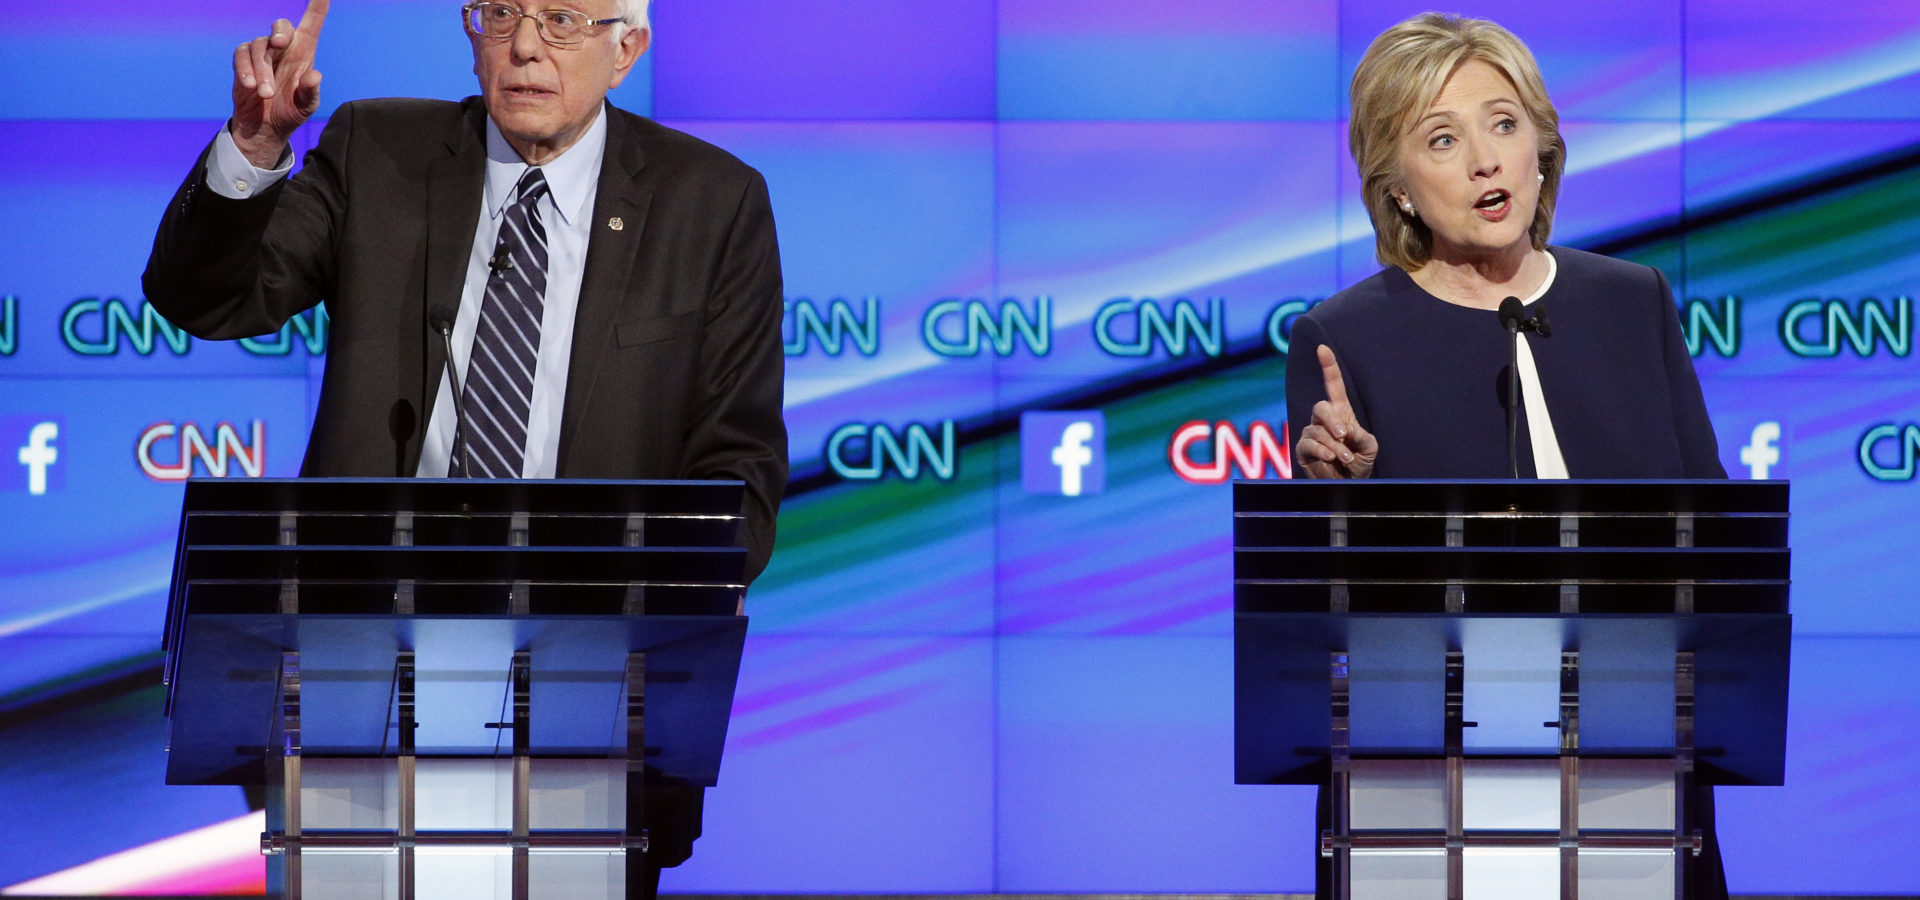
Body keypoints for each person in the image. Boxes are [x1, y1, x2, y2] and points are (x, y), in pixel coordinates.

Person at [141, 1, 787, 895]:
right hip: (357, 702)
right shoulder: (379, 154)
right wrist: (254, 148)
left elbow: (740, 478)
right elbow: (206, 302)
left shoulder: (710, 204)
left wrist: (630, 609)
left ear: (627, 48)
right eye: (502, 14)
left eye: (562, 20)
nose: (525, 45)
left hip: (586, 718)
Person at [1285, 11, 1728, 898]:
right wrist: (1342, 495)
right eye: (1442, 139)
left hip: (1631, 758)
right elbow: (1326, 623)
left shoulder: (1632, 301)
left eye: (1503, 123)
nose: (1486, 160)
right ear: (1399, 187)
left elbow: (1716, 544)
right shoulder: (1344, 339)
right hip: (1428, 783)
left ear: (1541, 147)